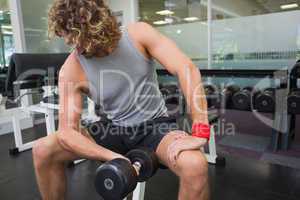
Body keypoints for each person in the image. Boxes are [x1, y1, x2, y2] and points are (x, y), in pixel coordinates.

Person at [32, 0, 210, 199]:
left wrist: (200, 130)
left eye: (77, 38)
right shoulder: (71, 69)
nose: (73, 46)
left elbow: (186, 68)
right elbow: (66, 132)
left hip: (155, 127)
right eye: (68, 38)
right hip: (114, 128)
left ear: (97, 25)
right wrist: (113, 157)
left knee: (195, 165)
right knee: (43, 150)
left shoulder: (139, 34)